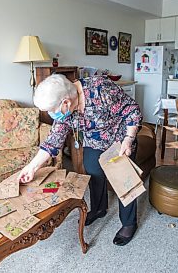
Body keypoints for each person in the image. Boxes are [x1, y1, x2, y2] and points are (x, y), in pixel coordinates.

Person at [19, 74, 142, 246]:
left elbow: (132, 110)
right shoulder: (66, 112)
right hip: (94, 141)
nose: (51, 114)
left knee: (124, 181)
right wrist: (32, 167)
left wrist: (129, 139)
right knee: (93, 172)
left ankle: (129, 223)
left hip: (119, 140)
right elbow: (53, 140)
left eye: (52, 110)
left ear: (66, 102)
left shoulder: (101, 89)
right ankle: (99, 209)